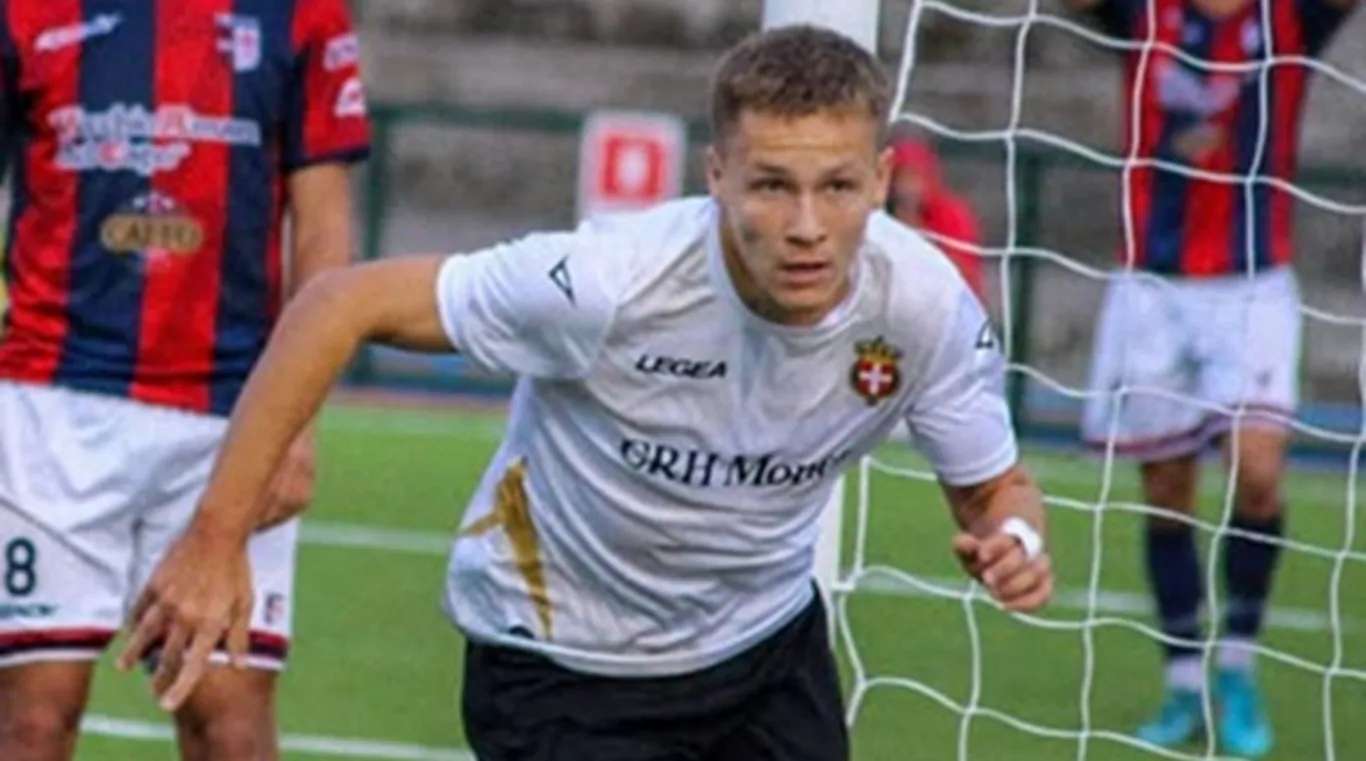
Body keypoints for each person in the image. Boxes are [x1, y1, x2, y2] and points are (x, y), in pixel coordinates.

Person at [118, 25, 1053, 761]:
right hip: (561, 662)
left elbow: (995, 490)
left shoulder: (924, 305)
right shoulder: (609, 284)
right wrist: (215, 537)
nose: (807, 225)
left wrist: (1016, 540)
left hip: (765, 650)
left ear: (882, 181)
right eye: (772, 185)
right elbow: (337, 303)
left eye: (838, 186)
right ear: (717, 176)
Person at [0, 2, 371, 760]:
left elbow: (323, 228)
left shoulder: (303, 14)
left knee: (228, 723)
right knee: (31, 719)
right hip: (47, 406)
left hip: (237, 414)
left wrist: (297, 420)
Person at [1067, 0, 1358, 756]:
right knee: (1167, 489)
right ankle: (1183, 681)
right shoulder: (1142, 13)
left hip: (1252, 283)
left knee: (1257, 474)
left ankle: (1237, 668)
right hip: (1152, 284)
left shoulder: (1289, 18)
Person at [887, 136, 986, 300]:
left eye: (914, 177)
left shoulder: (952, 216)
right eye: (901, 177)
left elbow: (967, 277)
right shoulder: (878, 218)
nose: (906, 187)